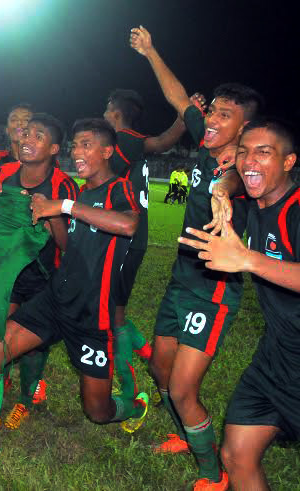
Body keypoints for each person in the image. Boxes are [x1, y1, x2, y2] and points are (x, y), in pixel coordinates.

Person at [0, 118, 147, 468]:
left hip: (93, 315)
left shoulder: (118, 188)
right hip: (55, 297)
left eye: (86, 145)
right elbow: (67, 244)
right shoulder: (82, 192)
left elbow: (128, 225)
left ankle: (135, 405)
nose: (77, 152)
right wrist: (45, 212)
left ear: (107, 152)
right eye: (75, 145)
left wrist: (61, 206)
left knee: (97, 410)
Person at [130, 25, 263, 490]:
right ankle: (185, 434)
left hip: (213, 292)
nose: (210, 121)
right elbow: (179, 99)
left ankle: (214, 474)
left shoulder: (249, 167)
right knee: (160, 370)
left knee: (184, 388)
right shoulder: (206, 147)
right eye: (212, 113)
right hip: (179, 281)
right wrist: (150, 50)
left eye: (223, 116)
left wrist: (228, 187)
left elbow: (240, 184)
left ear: (243, 127)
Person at [179, 119, 299, 491]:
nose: (250, 160)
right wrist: (220, 189)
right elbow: (233, 176)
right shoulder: (257, 198)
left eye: (264, 153)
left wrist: (247, 260)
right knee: (236, 455)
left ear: (289, 162)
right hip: (276, 359)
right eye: (244, 151)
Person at [103, 88, 190, 431]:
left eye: (106, 110)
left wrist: (185, 116)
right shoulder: (124, 144)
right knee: (113, 310)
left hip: (125, 238)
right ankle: (151, 358)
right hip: (122, 237)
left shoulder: (124, 139)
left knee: (112, 315)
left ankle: (130, 392)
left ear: (115, 113)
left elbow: (162, 141)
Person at [0, 113, 78, 430]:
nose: (27, 140)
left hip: (45, 277)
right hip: (10, 272)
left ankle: (26, 401)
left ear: (54, 148)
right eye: (26, 133)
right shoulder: (6, 173)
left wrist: (50, 211)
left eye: (38, 136)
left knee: (33, 344)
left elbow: (68, 244)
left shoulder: (62, 184)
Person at [0, 103, 34, 170]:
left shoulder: (45, 163)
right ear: (7, 130)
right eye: (13, 120)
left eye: (26, 120)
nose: (19, 123)